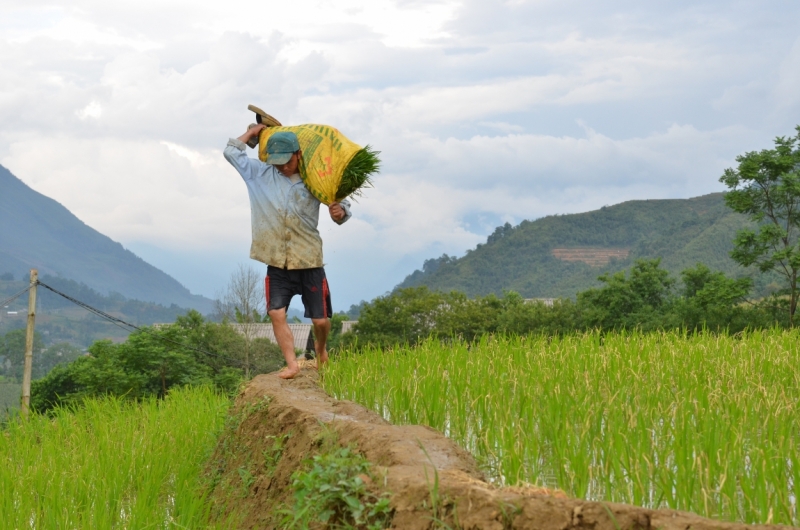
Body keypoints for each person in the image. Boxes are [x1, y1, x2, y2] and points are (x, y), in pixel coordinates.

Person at [223, 123, 351, 379]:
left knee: (320, 321)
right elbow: (231, 153)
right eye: (277, 162)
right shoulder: (259, 174)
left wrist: (340, 213)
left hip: (309, 260)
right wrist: (251, 134)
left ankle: (321, 348)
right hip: (276, 260)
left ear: (299, 155)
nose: (282, 167)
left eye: (287, 161)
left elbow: (341, 205)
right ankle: (292, 364)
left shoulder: (316, 178)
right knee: (275, 312)